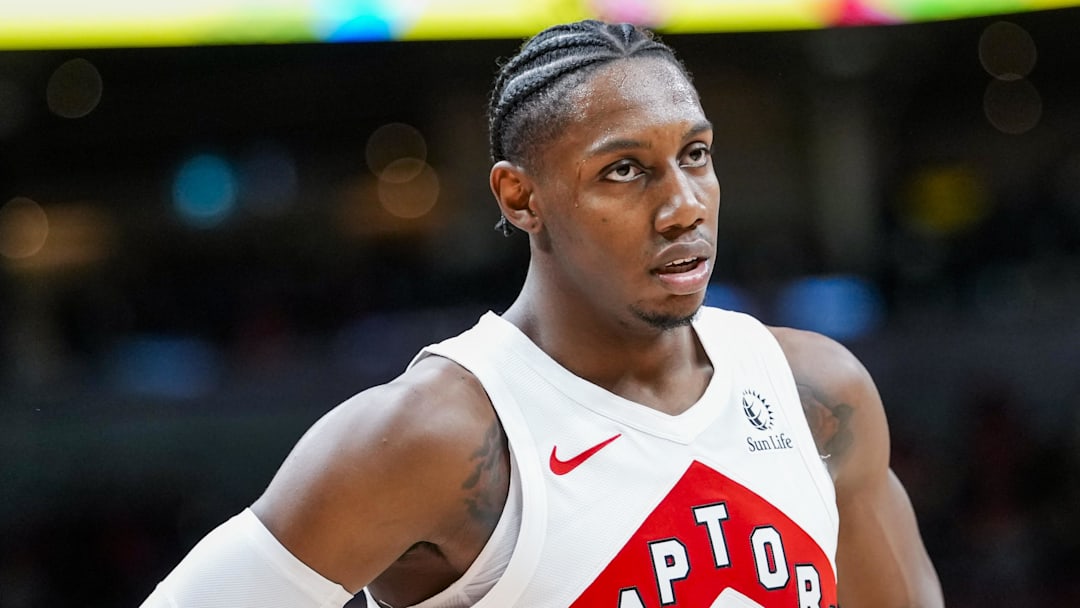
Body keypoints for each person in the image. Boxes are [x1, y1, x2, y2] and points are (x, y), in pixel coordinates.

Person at [141, 20, 944, 608]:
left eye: (695, 155)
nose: (683, 206)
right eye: (625, 170)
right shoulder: (432, 435)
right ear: (520, 197)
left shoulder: (817, 391)